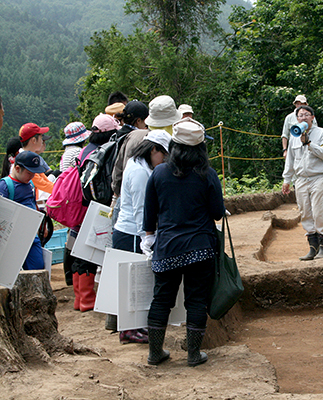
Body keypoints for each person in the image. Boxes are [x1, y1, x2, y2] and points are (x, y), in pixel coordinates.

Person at [142, 118, 224, 366]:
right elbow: (217, 212)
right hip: (200, 247)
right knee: (196, 300)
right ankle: (193, 354)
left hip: (167, 246)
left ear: (174, 146)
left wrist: (149, 238)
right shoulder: (207, 175)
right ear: (200, 149)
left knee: (161, 299)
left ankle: (155, 353)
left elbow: (149, 214)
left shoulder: (158, 173)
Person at [111, 130, 171, 344]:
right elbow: (140, 210)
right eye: (162, 155)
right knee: (134, 284)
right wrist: (146, 238)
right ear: (153, 149)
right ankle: (129, 329)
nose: (163, 161)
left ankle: (134, 326)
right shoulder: (139, 172)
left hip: (127, 232)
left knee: (133, 284)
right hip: (130, 233)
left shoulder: (137, 165)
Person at [67, 113, 120, 313]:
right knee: (91, 251)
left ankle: (80, 298)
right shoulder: (102, 152)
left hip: (81, 205)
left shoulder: (83, 152)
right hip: (96, 206)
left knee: (80, 250)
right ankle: (88, 299)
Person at [282, 105, 323, 260]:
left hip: (319, 177)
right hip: (301, 180)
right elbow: (290, 160)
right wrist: (287, 180)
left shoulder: (322, 133)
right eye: (300, 115)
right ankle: (313, 248)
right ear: (296, 119)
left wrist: (309, 143)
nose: (303, 117)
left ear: (313, 117)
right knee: (305, 213)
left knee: (319, 211)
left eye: (306, 115)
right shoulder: (294, 137)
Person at [0, 151, 47, 270]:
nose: (31, 176)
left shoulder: (30, 184)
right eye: (29, 173)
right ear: (17, 168)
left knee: (37, 268)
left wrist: (41, 225)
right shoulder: (5, 185)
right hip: (12, 238)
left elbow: (33, 204)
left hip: (31, 235)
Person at [110, 100, 150, 225]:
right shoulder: (140, 137)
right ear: (138, 121)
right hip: (132, 201)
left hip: (119, 197)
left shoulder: (116, 135)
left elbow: (117, 171)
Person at [18, 123, 54, 197]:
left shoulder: (31, 158)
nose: (42, 141)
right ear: (34, 140)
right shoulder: (25, 161)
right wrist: (62, 190)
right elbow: (42, 185)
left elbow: (44, 179)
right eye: (41, 138)